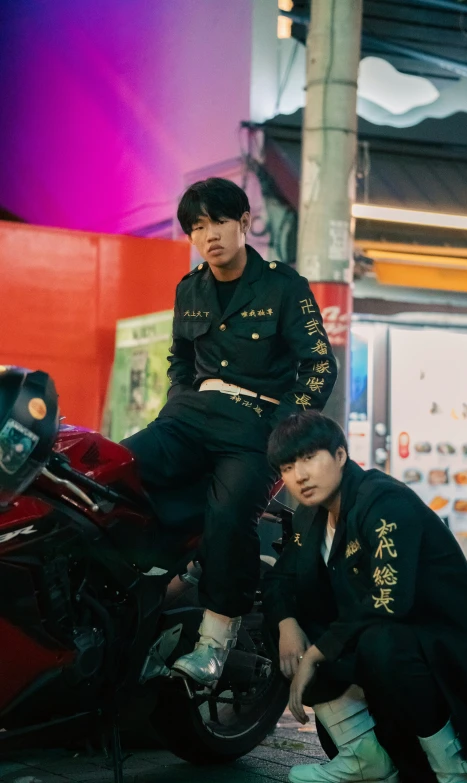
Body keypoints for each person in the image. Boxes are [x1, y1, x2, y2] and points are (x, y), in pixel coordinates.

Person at [121, 178, 337, 687]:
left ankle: (215, 641)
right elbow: (179, 359)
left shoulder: (284, 286)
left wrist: (282, 430)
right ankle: (138, 592)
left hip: (255, 423)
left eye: (218, 221)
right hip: (189, 416)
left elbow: (318, 365)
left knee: (231, 507)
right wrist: (177, 402)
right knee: (118, 468)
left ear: (243, 223)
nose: (208, 235)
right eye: (197, 226)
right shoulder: (189, 288)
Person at [263, 411, 467, 783]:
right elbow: (279, 580)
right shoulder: (310, 518)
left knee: (379, 640)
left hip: (449, 646)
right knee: (293, 619)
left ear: (340, 455)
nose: (300, 475)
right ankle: (362, 754)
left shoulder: (383, 501)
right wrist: (288, 626)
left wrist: (317, 654)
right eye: (288, 467)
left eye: (309, 458)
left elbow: (390, 600)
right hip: (392, 652)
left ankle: (456, 769)